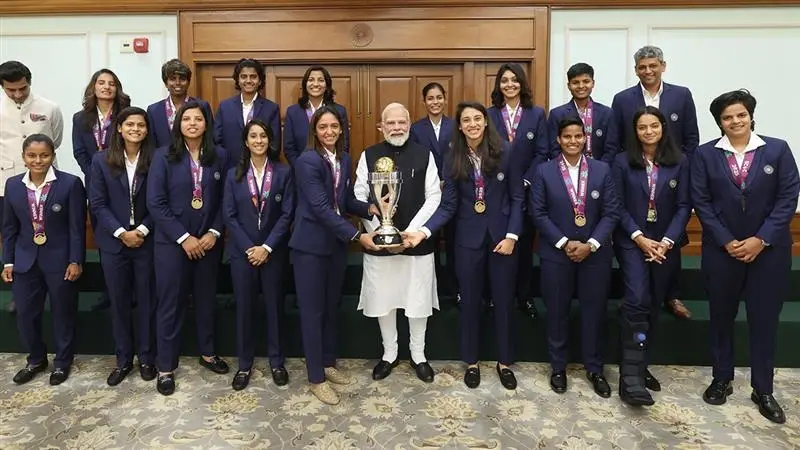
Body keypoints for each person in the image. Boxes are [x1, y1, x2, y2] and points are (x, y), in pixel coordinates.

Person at [692, 89, 799, 424]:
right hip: (721, 253)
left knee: (763, 320)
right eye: (727, 117)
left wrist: (760, 240)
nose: (735, 121)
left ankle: (762, 388)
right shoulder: (706, 154)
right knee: (721, 317)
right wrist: (727, 241)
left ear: (751, 115)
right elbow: (701, 201)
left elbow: (788, 197)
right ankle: (721, 378)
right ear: (719, 122)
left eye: (740, 115)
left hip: (768, 253)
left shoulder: (777, 149)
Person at [405, 101, 524, 389]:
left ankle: (504, 361)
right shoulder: (454, 156)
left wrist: (512, 237)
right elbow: (448, 206)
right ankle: (471, 361)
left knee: (504, 302)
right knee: (470, 302)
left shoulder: (505, 151)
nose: (472, 124)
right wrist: (423, 232)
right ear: (459, 126)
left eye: (477, 118)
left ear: (485, 122)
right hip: (468, 240)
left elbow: (519, 198)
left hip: (502, 240)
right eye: (466, 120)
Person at [289, 105, 379, 405]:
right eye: (323, 127)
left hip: (335, 247)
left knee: (329, 308)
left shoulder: (342, 158)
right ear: (315, 130)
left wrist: (369, 208)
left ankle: (328, 363)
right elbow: (320, 208)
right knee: (313, 313)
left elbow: (343, 200)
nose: (329, 131)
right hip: (310, 248)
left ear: (341, 129)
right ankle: (316, 377)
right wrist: (357, 235)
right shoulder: (307, 161)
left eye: (334, 127)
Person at [530, 117, 620, 398]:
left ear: (585, 138)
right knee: (557, 312)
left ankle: (595, 368)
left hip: (595, 255)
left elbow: (612, 212)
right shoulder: (544, 171)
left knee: (594, 313)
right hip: (556, 254)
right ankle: (558, 367)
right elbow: (538, 213)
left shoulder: (602, 170)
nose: (572, 141)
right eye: (566, 136)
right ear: (558, 139)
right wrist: (565, 242)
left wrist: (590, 244)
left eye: (577, 136)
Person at [147, 101, 230, 396]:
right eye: (187, 119)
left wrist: (214, 231)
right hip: (172, 244)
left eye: (198, 119)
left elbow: (226, 200)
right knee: (170, 303)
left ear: (206, 124)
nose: (192, 123)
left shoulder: (219, 156)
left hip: (208, 242)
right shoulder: (163, 156)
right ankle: (166, 366)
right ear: (178, 124)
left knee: (207, 299)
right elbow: (156, 203)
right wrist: (184, 237)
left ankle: (208, 353)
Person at [354, 102, 440, 384]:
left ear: (409, 124)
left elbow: (434, 197)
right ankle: (389, 353)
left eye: (401, 122)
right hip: (381, 245)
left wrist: (411, 233)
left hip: (416, 244)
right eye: (390, 123)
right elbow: (360, 196)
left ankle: (419, 355)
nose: (396, 128)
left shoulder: (424, 154)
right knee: (385, 300)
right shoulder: (369, 155)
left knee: (417, 300)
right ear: (381, 126)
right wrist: (380, 232)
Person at [611, 45, 699, 319]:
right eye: (642, 67)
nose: (648, 71)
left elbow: (691, 139)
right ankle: (634, 295)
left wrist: (684, 173)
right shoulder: (623, 99)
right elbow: (614, 140)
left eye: (653, 65)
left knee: (670, 243)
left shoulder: (681, 95)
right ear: (636, 70)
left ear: (663, 65)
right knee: (634, 252)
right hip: (636, 174)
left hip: (671, 178)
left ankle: (671, 296)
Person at [612, 106, 690, 406]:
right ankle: (629, 376)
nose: (648, 132)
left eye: (653, 126)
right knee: (637, 299)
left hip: (665, 243)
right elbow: (617, 204)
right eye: (642, 127)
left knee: (655, 301)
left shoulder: (680, 161)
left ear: (662, 128)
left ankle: (641, 366)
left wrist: (666, 241)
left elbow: (684, 205)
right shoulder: (622, 162)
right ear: (635, 131)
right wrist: (640, 238)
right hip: (633, 240)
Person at [2, 134, 85, 385]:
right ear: (24, 158)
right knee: (26, 314)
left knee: (62, 313)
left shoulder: (70, 184)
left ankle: (62, 362)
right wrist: (8, 262)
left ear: (53, 156)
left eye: (44, 155)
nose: (38, 160)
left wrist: (75, 260)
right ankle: (36, 359)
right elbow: (9, 228)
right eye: (32, 155)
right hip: (25, 261)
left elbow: (77, 228)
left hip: (60, 261)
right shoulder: (13, 184)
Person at [89, 106, 157, 386]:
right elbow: (98, 203)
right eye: (130, 124)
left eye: (141, 125)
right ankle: (123, 359)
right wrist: (120, 232)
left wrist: (140, 229)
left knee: (147, 302)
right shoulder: (101, 160)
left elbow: (162, 201)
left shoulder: (157, 159)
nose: (135, 129)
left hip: (146, 241)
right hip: (114, 244)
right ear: (119, 128)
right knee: (118, 302)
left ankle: (147, 357)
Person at [223, 119, 293, 390]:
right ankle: (244, 364)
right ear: (245, 141)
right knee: (245, 309)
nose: (259, 140)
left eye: (263, 136)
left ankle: (277, 362)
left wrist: (267, 247)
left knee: (275, 308)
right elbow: (229, 215)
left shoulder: (284, 173)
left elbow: (287, 214)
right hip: (243, 254)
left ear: (270, 140)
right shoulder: (233, 174)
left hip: (273, 253)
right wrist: (250, 248)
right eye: (253, 136)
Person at [0, 60, 64, 314]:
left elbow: (55, 139)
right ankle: (20, 292)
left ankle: (49, 286)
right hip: (8, 183)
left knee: (47, 231)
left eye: (22, 88)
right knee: (13, 234)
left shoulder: (49, 107)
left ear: (29, 81)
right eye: (11, 90)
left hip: (45, 184)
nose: (17, 94)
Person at [487, 63, 547, 319]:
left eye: (514, 80)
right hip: (497, 191)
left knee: (522, 246)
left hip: (527, 191)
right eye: (504, 80)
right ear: (498, 85)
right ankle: (493, 296)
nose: (509, 84)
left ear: (522, 83)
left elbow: (543, 152)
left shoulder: (536, 114)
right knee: (496, 244)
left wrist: (524, 181)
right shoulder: (488, 114)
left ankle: (525, 296)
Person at [72, 68, 131, 312]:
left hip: (124, 182)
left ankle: (133, 292)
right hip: (96, 185)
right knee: (106, 239)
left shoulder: (124, 115)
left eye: (111, 83)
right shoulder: (80, 118)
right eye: (101, 83)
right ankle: (110, 292)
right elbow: (80, 152)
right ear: (93, 87)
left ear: (117, 88)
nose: (107, 87)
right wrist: (95, 174)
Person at [409, 82, 457, 299]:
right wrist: (433, 181)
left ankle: (456, 289)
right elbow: (415, 159)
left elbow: (460, 156)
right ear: (424, 101)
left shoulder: (456, 126)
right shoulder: (417, 129)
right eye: (430, 98)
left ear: (445, 99)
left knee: (455, 242)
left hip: (453, 189)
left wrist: (446, 179)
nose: (435, 102)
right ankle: (432, 291)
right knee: (431, 242)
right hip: (427, 193)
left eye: (439, 97)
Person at [214, 58, 280, 170]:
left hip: (261, 170)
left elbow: (274, 144)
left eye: (253, 77)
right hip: (229, 168)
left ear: (260, 81)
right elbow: (216, 139)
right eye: (244, 76)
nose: (248, 80)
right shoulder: (225, 106)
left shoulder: (271, 108)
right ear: (238, 80)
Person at [548, 63, 618, 164]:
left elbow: (612, 148)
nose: (581, 86)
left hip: (600, 172)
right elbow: (554, 149)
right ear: (569, 86)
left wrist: (600, 170)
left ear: (593, 83)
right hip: (566, 172)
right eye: (575, 82)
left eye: (586, 81)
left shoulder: (607, 113)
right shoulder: (557, 114)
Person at [283, 65, 349, 165]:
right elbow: (289, 148)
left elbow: (344, 144)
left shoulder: (339, 111)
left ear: (327, 85)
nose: (316, 84)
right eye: (311, 80)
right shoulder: (293, 112)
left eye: (321, 80)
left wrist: (333, 166)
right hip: (301, 171)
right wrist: (300, 167)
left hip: (332, 169)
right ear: (305, 84)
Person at [147, 59, 213, 148]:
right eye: (172, 79)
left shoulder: (202, 106)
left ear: (188, 82)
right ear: (166, 83)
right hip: (164, 160)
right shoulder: (154, 110)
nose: (177, 83)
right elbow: (151, 143)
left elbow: (210, 137)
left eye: (182, 79)